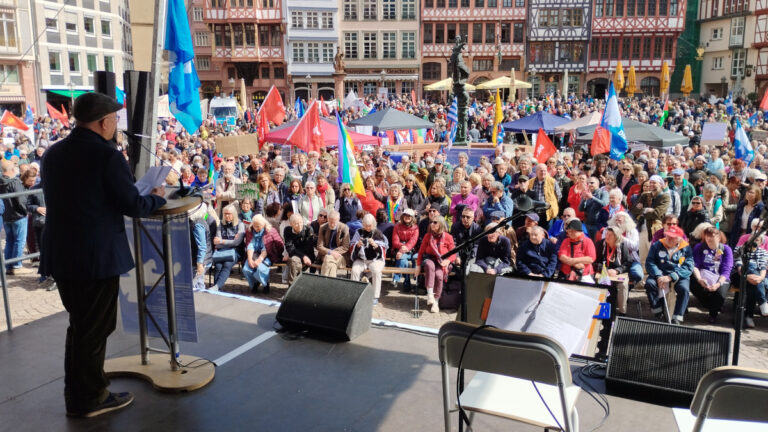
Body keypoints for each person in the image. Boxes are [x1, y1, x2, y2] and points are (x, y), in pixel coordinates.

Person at [41, 92, 167, 417]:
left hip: (62, 253)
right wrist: (156, 197)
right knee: (94, 329)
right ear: (103, 122)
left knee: (80, 325)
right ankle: (90, 398)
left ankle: (79, 392)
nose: (115, 126)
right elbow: (132, 205)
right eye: (113, 120)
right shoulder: (107, 156)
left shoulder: (53, 154)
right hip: (95, 258)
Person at [644, 225, 694, 325]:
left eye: (672, 237)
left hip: (678, 274)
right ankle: (658, 312)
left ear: (678, 239)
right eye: (667, 236)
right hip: (660, 272)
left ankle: (677, 317)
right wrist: (658, 275)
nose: (668, 238)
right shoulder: (657, 245)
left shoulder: (686, 248)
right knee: (649, 284)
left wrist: (672, 276)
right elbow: (650, 262)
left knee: (684, 289)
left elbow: (689, 267)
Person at [691, 227, 733, 324]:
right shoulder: (699, 247)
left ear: (718, 237)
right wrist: (699, 279)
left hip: (720, 277)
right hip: (703, 275)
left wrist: (718, 284)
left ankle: (713, 313)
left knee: (719, 293)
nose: (709, 238)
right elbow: (695, 265)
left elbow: (726, 270)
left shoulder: (726, 249)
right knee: (691, 282)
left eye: (712, 236)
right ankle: (710, 305)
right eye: (707, 236)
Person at [417, 217, 456, 313]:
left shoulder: (448, 237)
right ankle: (430, 295)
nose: (432, 224)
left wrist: (448, 261)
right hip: (429, 258)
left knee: (439, 275)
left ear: (441, 224)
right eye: (431, 222)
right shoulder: (428, 236)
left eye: (435, 222)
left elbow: (454, 253)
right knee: (430, 266)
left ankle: (436, 302)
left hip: (442, 261)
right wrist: (418, 266)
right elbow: (421, 252)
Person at [350, 213, 388, 305]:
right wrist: (357, 245)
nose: (367, 228)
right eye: (365, 226)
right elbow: (352, 246)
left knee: (376, 271)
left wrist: (375, 245)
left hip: (375, 260)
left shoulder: (378, 233)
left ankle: (375, 296)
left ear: (373, 224)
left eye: (369, 226)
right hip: (361, 259)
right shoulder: (358, 232)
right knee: (354, 270)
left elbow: (383, 249)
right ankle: (354, 294)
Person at [595, 227, 633, 314]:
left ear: (616, 237)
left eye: (610, 235)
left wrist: (617, 271)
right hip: (603, 272)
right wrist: (604, 270)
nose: (607, 237)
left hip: (618, 274)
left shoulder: (623, 246)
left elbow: (628, 263)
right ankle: (600, 310)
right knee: (598, 282)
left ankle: (622, 312)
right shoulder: (600, 244)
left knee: (623, 285)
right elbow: (595, 262)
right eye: (606, 234)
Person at [733, 235, 768, 328]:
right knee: (751, 266)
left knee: (752, 287)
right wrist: (747, 276)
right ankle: (762, 303)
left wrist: (760, 278)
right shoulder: (740, 249)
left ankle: (747, 317)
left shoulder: (763, 252)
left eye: (757, 239)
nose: (754, 241)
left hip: (756, 279)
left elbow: (763, 267)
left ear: (761, 243)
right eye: (753, 238)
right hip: (739, 276)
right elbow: (739, 265)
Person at [0, 159, 27, 275]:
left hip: (6, 216)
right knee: (19, 241)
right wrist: (26, 211)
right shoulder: (15, 182)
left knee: (10, 240)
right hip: (18, 215)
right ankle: (16, 265)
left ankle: (9, 266)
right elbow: (20, 200)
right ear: (12, 169)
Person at [210, 204, 245, 291]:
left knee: (227, 264)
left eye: (229, 213)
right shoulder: (220, 225)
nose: (226, 216)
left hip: (235, 252)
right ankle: (217, 288)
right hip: (222, 251)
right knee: (218, 265)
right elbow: (216, 242)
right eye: (225, 214)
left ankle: (216, 287)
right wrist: (230, 241)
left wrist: (222, 241)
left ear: (233, 214)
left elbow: (237, 243)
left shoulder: (240, 224)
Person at [242, 215, 274, 293]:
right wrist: (249, 260)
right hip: (253, 254)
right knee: (246, 269)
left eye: (258, 226)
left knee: (260, 269)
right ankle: (254, 284)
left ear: (263, 224)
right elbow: (250, 245)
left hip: (267, 255)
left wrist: (259, 260)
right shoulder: (250, 231)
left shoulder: (268, 231)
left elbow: (266, 248)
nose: (256, 228)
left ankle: (265, 284)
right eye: (254, 226)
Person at [316, 210, 350, 278]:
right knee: (330, 263)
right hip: (325, 255)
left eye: (334, 222)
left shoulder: (344, 228)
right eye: (330, 222)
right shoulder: (323, 228)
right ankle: (331, 287)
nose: (332, 224)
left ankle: (323, 284)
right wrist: (330, 252)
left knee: (328, 260)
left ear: (338, 220)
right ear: (327, 219)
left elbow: (345, 247)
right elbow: (319, 246)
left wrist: (333, 253)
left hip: (340, 256)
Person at [283, 214, 316, 284]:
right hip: (297, 255)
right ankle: (291, 286)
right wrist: (302, 256)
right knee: (293, 260)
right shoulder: (287, 230)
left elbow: (308, 247)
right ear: (291, 224)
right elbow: (289, 247)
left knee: (295, 261)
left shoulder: (308, 229)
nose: (300, 225)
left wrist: (303, 256)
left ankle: (299, 283)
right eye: (296, 223)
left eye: (301, 222)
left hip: (308, 255)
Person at [392, 208, 419, 293]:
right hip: (399, 249)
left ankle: (396, 279)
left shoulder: (415, 228)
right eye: (405, 215)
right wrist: (402, 247)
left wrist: (404, 249)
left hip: (412, 250)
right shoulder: (397, 226)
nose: (407, 217)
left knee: (405, 259)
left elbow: (413, 241)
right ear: (402, 216)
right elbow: (395, 241)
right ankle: (406, 284)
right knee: (404, 261)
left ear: (412, 217)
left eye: (409, 216)